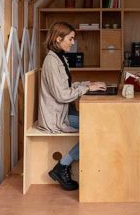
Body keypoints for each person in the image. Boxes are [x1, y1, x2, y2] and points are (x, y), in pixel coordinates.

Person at [37, 21, 105, 191]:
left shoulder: (58, 57)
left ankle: (63, 166)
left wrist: (87, 83)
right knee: (97, 128)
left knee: (98, 125)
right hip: (55, 118)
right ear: (58, 38)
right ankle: (62, 166)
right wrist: (87, 88)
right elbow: (62, 95)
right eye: (70, 38)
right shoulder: (51, 62)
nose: (73, 42)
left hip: (62, 113)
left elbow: (65, 88)